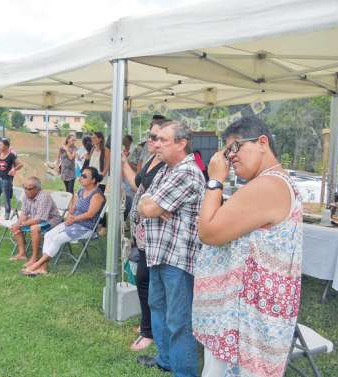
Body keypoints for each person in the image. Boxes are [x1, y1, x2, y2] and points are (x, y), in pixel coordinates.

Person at [194, 117, 302, 377]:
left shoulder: (267, 185)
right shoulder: (272, 182)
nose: (230, 158)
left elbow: (208, 232)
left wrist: (215, 180)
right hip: (246, 315)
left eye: (235, 148)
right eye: (226, 152)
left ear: (262, 143)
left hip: (245, 321)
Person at [136, 120, 205, 376]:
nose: (156, 144)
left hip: (178, 259)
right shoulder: (167, 169)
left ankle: (183, 372)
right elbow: (144, 199)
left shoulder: (186, 172)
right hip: (160, 254)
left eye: (163, 140)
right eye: (155, 139)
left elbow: (151, 208)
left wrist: (154, 206)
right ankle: (165, 360)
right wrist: (151, 204)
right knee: (158, 308)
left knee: (178, 321)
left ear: (182, 143)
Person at [121, 117, 168, 352]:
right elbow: (137, 185)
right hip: (141, 233)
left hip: (153, 234)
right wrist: (122, 162)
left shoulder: (166, 165)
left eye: (156, 137)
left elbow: (153, 200)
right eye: (151, 136)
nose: (151, 140)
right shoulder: (150, 159)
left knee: (146, 281)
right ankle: (146, 325)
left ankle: (149, 331)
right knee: (143, 280)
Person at [23, 167, 105, 276]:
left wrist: (73, 218)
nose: (81, 177)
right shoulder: (81, 191)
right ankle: (43, 268)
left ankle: (37, 264)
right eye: (81, 175)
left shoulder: (97, 195)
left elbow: (90, 214)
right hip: (73, 223)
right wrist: (70, 214)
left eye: (85, 176)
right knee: (48, 235)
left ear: (93, 180)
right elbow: (72, 208)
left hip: (86, 227)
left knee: (58, 239)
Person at [9, 177, 62, 265]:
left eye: (29, 189)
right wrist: (18, 223)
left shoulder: (44, 196)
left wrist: (22, 224)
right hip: (36, 218)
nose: (26, 191)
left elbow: (40, 219)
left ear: (38, 189)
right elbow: (24, 213)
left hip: (51, 220)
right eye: (24, 188)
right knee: (15, 226)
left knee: (34, 228)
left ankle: (34, 257)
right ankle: (22, 254)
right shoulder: (26, 195)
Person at [0, 138, 23, 223]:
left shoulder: (11, 155)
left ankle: (6, 218)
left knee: (6, 200)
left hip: (6, 181)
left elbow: (20, 164)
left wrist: (14, 169)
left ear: (6, 146)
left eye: (1, 145)